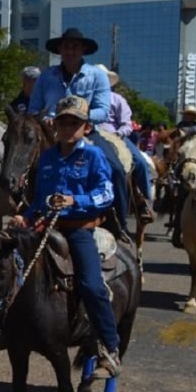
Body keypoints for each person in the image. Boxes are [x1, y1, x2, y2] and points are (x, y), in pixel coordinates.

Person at [10, 95, 121, 378]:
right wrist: (26, 215)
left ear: (85, 127)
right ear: (55, 126)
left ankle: (110, 346)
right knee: (7, 262)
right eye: (63, 122)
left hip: (78, 230)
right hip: (46, 226)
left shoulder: (93, 155)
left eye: (75, 123)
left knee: (92, 285)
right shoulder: (47, 158)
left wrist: (75, 201)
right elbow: (38, 200)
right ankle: (4, 326)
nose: (68, 128)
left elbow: (106, 193)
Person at [29, 28, 131, 238]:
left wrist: (78, 119)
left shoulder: (97, 76)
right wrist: (46, 119)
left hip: (86, 131)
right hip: (50, 131)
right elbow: (33, 110)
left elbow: (103, 110)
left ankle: (120, 224)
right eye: (66, 46)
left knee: (117, 169)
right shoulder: (46, 77)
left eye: (75, 46)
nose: (70, 50)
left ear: (83, 49)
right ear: (59, 49)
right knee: (23, 167)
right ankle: (28, 215)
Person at [96, 65, 155, 222]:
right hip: (90, 134)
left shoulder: (117, 99)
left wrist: (117, 133)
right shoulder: (86, 98)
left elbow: (127, 125)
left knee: (141, 162)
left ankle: (144, 201)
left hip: (115, 137)